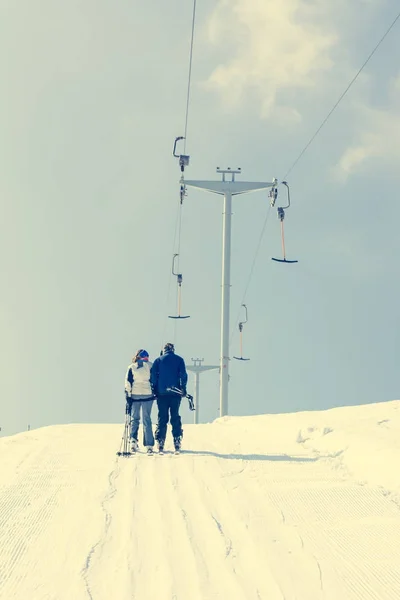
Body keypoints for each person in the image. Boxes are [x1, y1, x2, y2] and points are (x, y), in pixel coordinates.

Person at [150, 342, 188, 453]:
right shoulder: (179, 360)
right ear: (173, 349)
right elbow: (183, 375)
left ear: (164, 349)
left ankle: (161, 440)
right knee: (175, 416)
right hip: (175, 393)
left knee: (162, 417)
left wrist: (154, 389)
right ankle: (177, 439)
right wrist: (183, 388)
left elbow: (153, 377)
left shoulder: (158, 360)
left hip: (161, 393)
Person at [124, 349, 155, 454]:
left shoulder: (131, 367)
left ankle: (133, 440)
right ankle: (149, 445)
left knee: (135, 418)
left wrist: (128, 394)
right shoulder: (151, 366)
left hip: (135, 395)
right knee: (147, 419)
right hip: (148, 395)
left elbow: (128, 381)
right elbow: (154, 379)